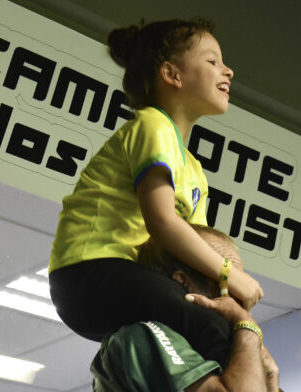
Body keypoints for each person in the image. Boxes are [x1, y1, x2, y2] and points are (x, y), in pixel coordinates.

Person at [48, 19, 263, 364]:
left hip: (135, 276)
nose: (228, 71)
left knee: (229, 325)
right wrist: (230, 275)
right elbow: (162, 222)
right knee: (214, 330)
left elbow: (200, 247)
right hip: (88, 273)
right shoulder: (153, 124)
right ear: (172, 74)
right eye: (212, 61)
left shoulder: (194, 170)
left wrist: (227, 293)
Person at [91, 226, 290, 392]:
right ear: (183, 281)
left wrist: (270, 378)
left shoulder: (216, 355)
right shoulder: (142, 337)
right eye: (229, 283)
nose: (242, 299)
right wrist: (247, 326)